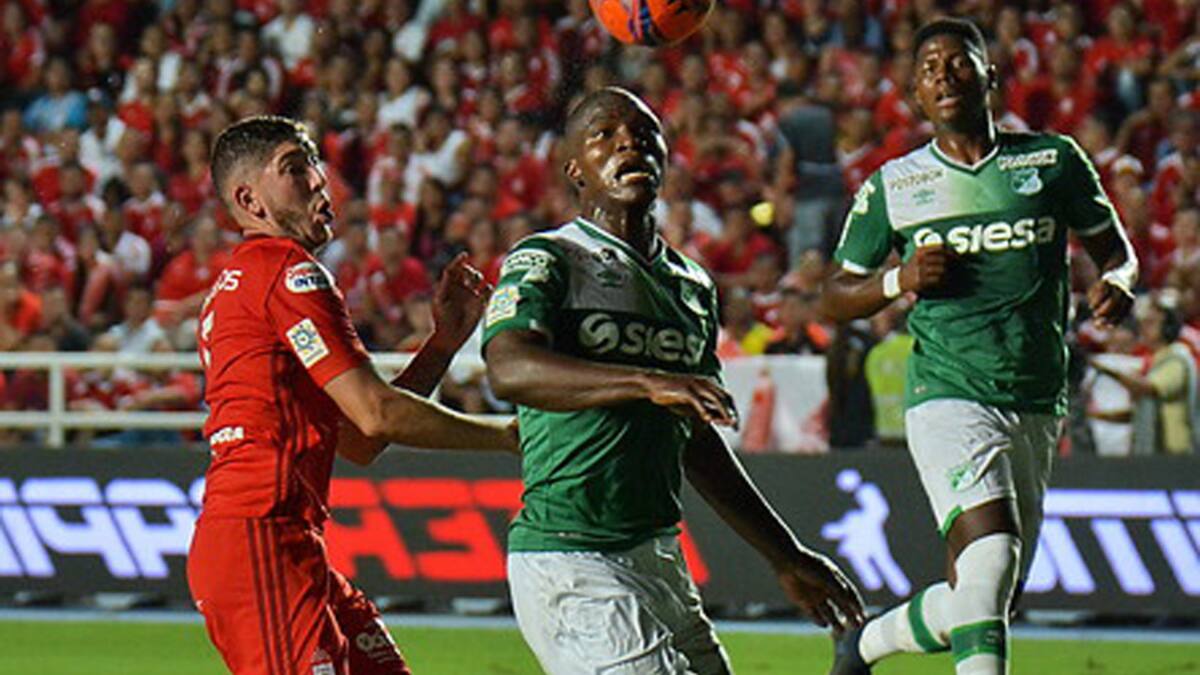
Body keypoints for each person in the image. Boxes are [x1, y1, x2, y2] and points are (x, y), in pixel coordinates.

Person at [483, 87, 864, 675]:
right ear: (575, 170)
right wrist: (648, 381)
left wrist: (784, 554)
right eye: (604, 135)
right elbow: (509, 368)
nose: (628, 143)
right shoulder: (548, 258)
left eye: (643, 134)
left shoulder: (692, 285)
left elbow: (695, 438)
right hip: (571, 555)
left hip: (658, 556)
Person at [819, 19, 1137, 675]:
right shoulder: (895, 185)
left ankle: (865, 642)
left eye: (958, 61)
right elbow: (834, 294)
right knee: (991, 556)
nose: (943, 75)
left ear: (989, 75)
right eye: (928, 68)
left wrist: (1118, 282)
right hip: (948, 391)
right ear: (914, 93)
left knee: (987, 595)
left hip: (1036, 396)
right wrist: (899, 279)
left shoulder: (1052, 160)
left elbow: (1118, 252)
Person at [187, 115, 517, 675]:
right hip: (262, 537)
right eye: (294, 168)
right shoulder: (287, 272)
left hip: (277, 542)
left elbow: (361, 439)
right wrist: (511, 437)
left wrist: (441, 346)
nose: (319, 179)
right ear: (249, 200)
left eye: (315, 163)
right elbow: (378, 414)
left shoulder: (240, 286)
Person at [1092, 297, 1198, 455]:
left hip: (1173, 452)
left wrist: (1105, 369)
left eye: (1151, 323)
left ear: (1167, 328)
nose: (1143, 328)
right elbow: (1140, 412)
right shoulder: (1154, 361)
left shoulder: (1177, 358)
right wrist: (1099, 416)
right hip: (1152, 452)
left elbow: (1148, 389)